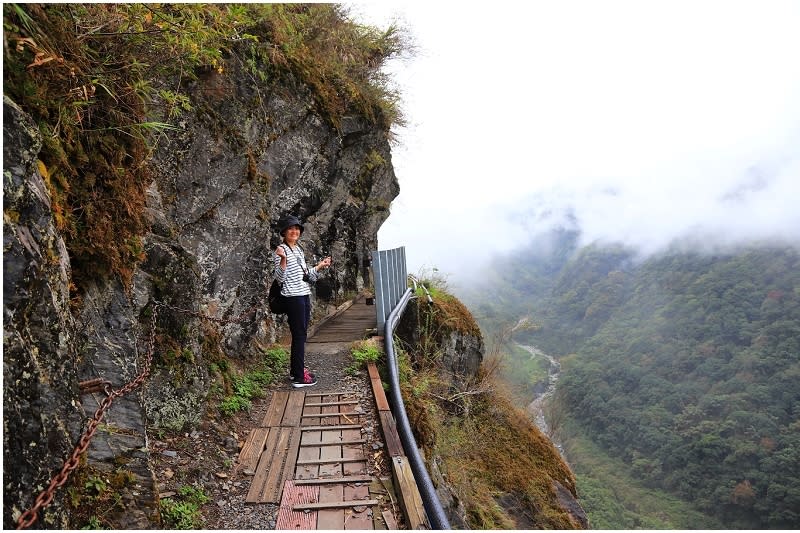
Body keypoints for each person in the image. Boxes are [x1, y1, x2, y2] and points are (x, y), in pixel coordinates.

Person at [274, 215, 332, 388]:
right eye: (291, 228)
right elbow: (279, 278)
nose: (295, 231)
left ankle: (295, 371)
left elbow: (305, 276)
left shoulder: (298, 250)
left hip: (303, 294)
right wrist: (283, 259)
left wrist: (320, 266)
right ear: (284, 232)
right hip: (293, 297)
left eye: (297, 228)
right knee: (299, 336)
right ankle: (299, 377)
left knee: (301, 335)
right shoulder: (281, 250)